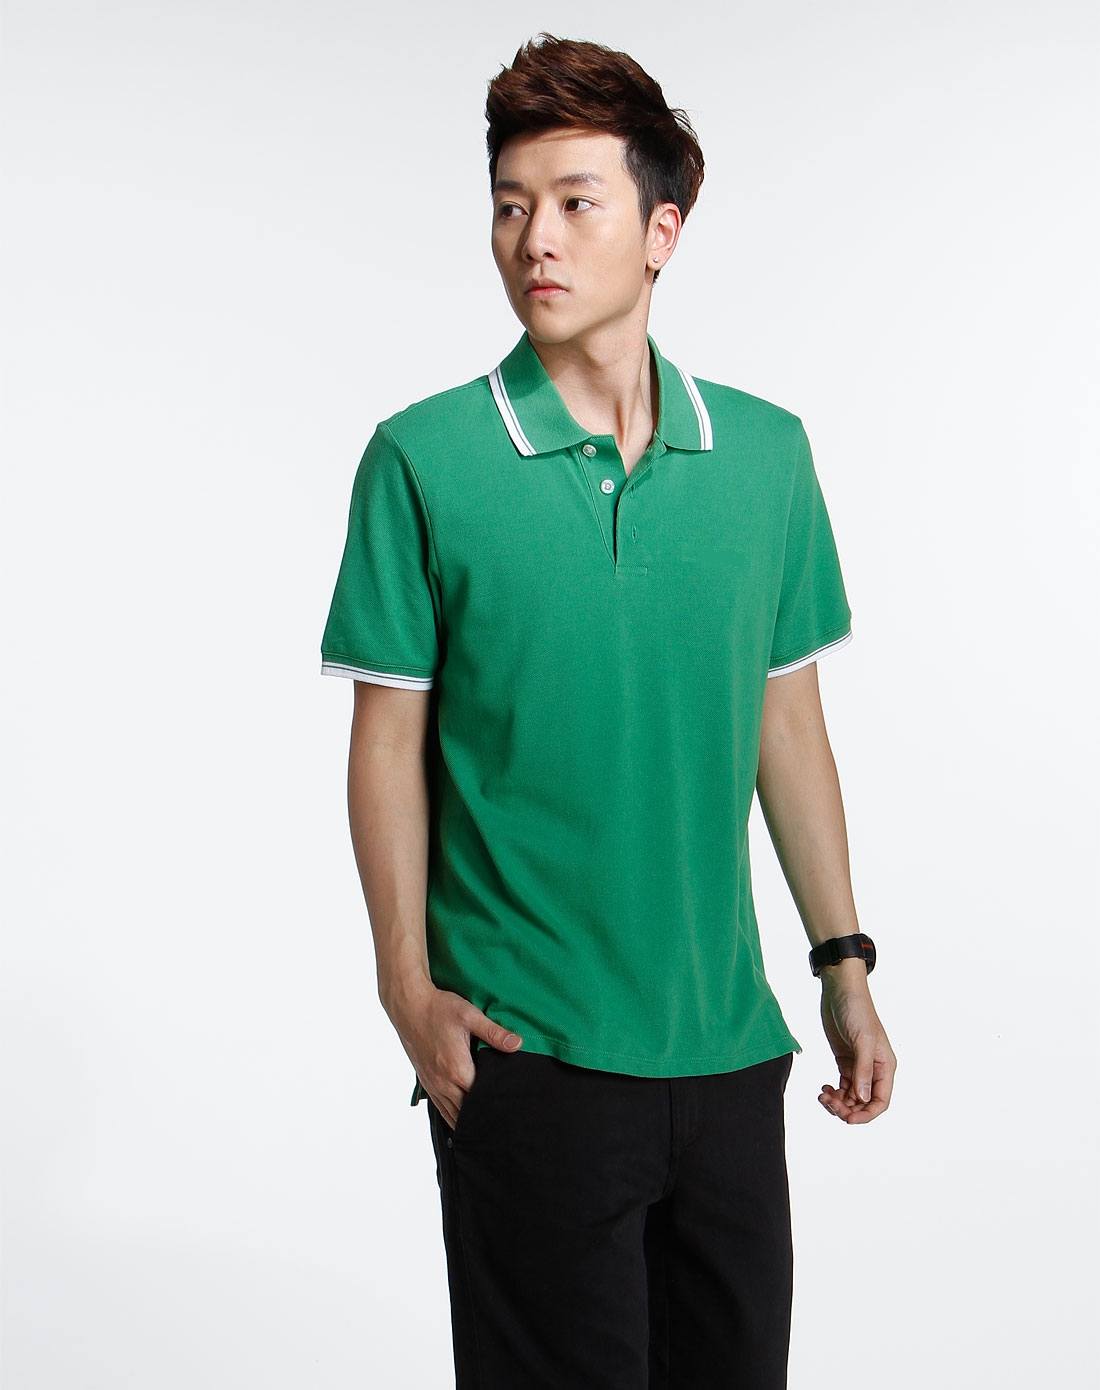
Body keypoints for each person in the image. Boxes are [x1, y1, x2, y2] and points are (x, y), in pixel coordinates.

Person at [321, 33, 896, 1390]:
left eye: (576, 202)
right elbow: (388, 743)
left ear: (662, 230)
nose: (535, 238)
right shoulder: (424, 459)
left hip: (731, 1050)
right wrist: (406, 987)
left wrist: (845, 964)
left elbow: (788, 725)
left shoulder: (767, 454)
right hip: (531, 1053)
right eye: (510, 205)